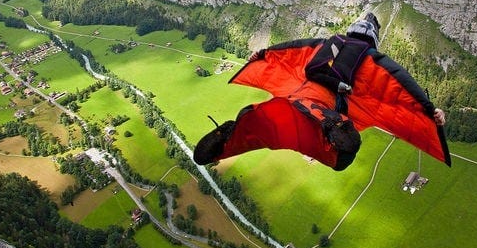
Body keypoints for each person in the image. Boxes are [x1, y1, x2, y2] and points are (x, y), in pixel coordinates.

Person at [193, 13, 450, 171]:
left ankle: (228, 137)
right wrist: (430, 110)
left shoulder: (323, 46)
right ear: (372, 40)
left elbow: (288, 51)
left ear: (350, 31)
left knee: (256, 132)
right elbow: (400, 87)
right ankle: (333, 128)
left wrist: (261, 55)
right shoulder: (373, 61)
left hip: (291, 104)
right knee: (341, 160)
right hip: (319, 121)